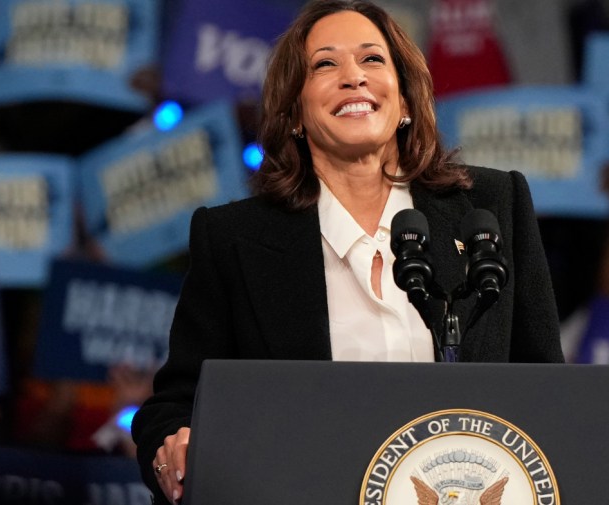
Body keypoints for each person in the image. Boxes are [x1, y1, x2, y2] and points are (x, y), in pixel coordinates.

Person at [131, 1, 563, 502]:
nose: (353, 77)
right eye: (325, 64)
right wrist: (170, 446)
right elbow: (177, 404)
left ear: (405, 100)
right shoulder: (233, 240)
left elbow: (547, 392)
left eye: (373, 60)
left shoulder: (492, 207)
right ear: (293, 113)